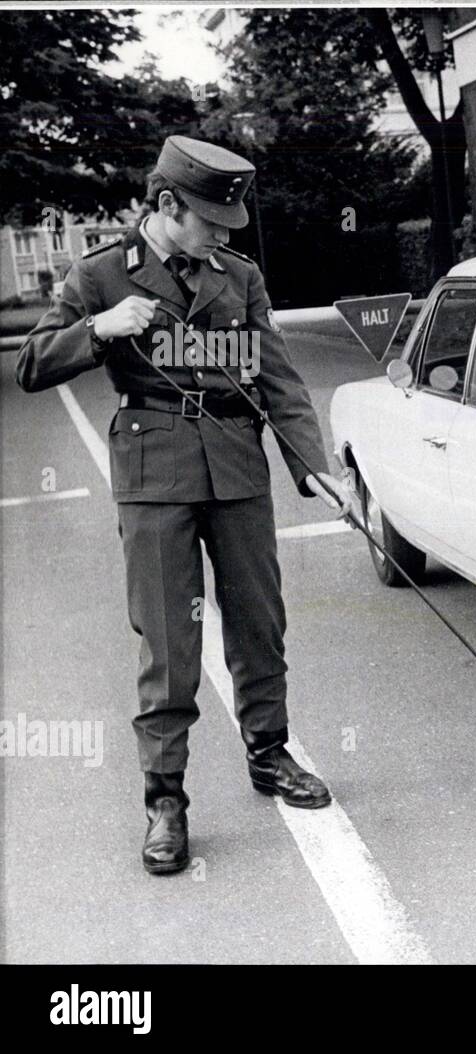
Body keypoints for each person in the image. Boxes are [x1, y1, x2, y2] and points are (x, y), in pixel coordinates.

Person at [16, 135, 361, 872]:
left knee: (259, 623)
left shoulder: (238, 277)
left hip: (237, 467)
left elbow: (278, 380)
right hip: (153, 472)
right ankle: (165, 799)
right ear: (166, 206)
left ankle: (269, 756)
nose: (221, 237)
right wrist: (97, 329)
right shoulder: (102, 274)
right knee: (171, 641)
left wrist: (313, 468)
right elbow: (31, 363)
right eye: (209, 222)